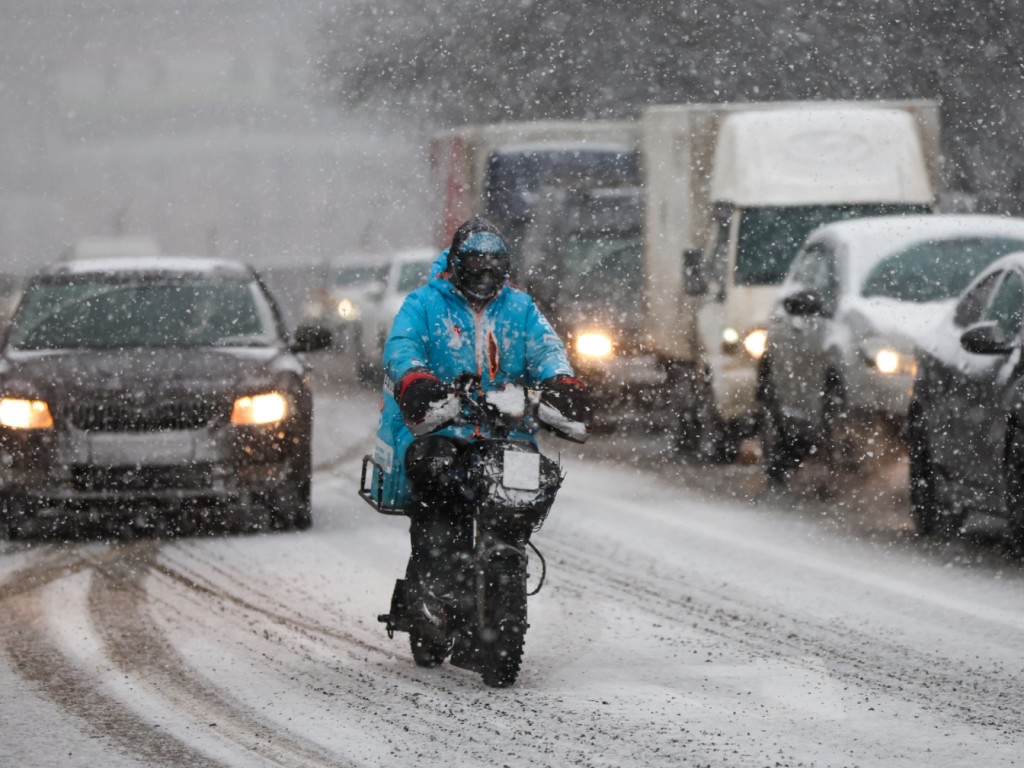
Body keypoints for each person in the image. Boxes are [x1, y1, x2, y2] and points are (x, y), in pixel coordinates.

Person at [373, 216, 592, 631]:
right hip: (442, 431)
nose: (486, 275)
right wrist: (418, 380)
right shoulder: (423, 304)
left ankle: (505, 556)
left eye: (496, 266)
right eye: (477, 264)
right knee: (436, 485)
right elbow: (403, 346)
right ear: (457, 263)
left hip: (508, 434)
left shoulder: (520, 308)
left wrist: (560, 381)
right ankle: (434, 588)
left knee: (527, 485)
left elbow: (548, 348)